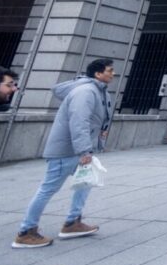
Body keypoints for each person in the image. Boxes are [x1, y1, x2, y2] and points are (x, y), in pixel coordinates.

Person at [13, 59, 114, 248]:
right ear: (98, 74)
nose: (113, 74)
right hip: (67, 150)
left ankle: (72, 222)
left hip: (76, 149)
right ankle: (26, 231)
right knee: (48, 188)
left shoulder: (96, 91)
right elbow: (79, 121)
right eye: (110, 70)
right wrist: (84, 150)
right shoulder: (86, 92)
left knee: (86, 182)